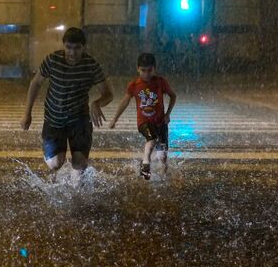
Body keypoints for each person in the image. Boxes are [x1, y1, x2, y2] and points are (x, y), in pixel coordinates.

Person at [20, 27, 114, 185]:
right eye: (68, 47)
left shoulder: (91, 65)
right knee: (55, 163)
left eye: (77, 48)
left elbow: (109, 93)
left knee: (79, 163)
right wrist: (27, 113)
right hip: (54, 119)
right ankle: (56, 161)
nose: (72, 52)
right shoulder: (53, 60)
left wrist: (97, 103)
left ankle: (75, 192)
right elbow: (35, 83)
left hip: (79, 119)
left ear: (84, 47)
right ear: (63, 45)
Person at [108, 53, 176, 180]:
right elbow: (125, 101)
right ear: (137, 68)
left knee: (163, 157)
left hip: (161, 122)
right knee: (151, 139)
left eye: (149, 70)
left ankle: (163, 177)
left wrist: (167, 114)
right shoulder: (134, 85)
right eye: (143, 70)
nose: (146, 74)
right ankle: (146, 163)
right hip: (144, 122)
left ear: (154, 68)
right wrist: (114, 119)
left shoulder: (160, 82)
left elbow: (173, 96)